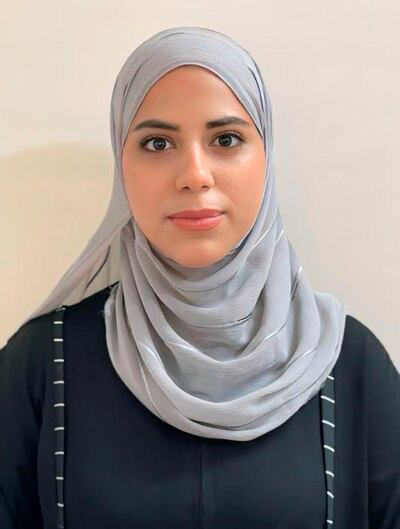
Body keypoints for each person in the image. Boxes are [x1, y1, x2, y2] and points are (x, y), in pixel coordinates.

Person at [1, 26, 399, 529]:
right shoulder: (45, 364)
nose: (194, 174)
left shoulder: (348, 364)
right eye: (157, 142)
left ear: (266, 156)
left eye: (226, 139)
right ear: (122, 165)